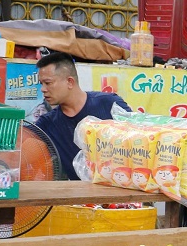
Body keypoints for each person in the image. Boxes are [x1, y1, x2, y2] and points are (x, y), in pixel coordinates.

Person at [34, 52, 130, 181]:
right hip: (79, 197)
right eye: (41, 83)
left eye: (48, 83)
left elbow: (136, 137)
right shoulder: (46, 124)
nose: (43, 89)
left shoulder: (109, 104)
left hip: (120, 189)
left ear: (69, 82)